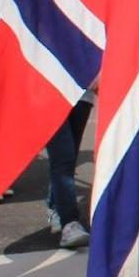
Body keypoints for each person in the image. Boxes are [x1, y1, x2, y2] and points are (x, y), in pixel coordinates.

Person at [45, 87, 95, 249]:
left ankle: (55, 208)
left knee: (68, 158)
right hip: (50, 89)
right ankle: (69, 222)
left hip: (82, 94)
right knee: (63, 158)